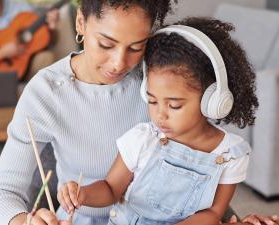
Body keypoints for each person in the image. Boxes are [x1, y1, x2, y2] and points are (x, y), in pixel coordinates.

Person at [0, 1, 278, 225]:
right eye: (106, 44)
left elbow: (199, 166)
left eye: (137, 47)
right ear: (81, 22)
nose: (119, 64)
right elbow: (1, 193)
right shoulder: (46, 92)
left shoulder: (159, 79)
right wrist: (23, 221)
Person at [57, 17, 259, 225]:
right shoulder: (143, 138)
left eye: (174, 105)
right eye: (152, 101)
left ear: (212, 101)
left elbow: (212, 214)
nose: (159, 115)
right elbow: (110, 189)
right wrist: (83, 194)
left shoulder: (230, 153)